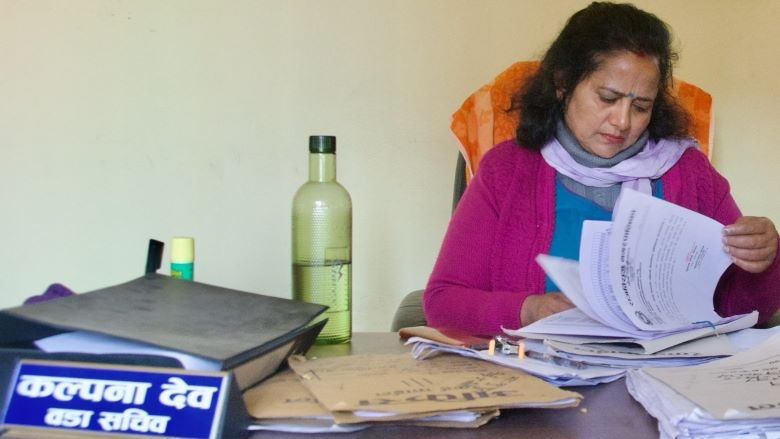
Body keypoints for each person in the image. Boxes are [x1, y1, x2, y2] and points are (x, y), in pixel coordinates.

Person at [423, 2, 780, 336]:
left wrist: (764, 260)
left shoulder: (689, 172)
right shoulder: (508, 172)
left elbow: (740, 308)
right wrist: (527, 310)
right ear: (563, 85)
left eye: (641, 106)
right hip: (545, 382)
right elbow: (442, 302)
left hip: (663, 380)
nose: (621, 122)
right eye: (607, 99)